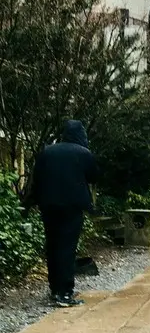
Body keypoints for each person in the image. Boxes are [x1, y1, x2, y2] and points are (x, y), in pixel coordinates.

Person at [31, 120, 98, 307]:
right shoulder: (84, 153)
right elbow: (94, 176)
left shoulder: (47, 151)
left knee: (52, 245)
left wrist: (33, 201)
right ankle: (65, 293)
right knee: (67, 248)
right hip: (72, 207)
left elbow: (37, 178)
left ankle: (54, 288)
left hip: (48, 205)